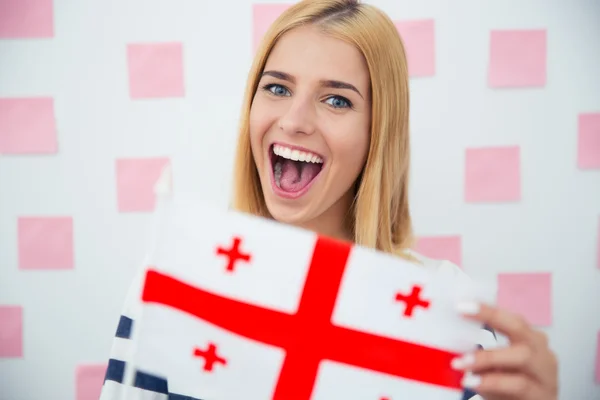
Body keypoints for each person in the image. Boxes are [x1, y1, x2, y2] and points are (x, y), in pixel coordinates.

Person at [100, 1, 558, 399]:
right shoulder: (172, 282)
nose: (295, 121)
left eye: (337, 100)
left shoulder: (446, 309)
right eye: (277, 88)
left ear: (377, 132)